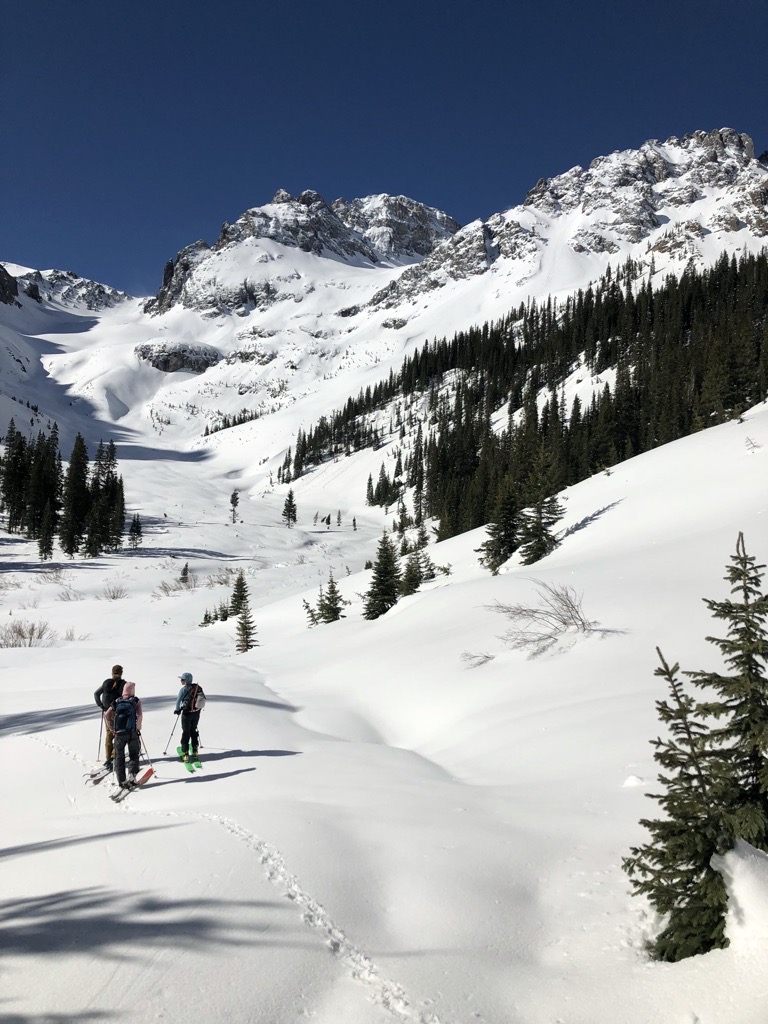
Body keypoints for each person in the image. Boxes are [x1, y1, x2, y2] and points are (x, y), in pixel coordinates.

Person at [105, 681, 143, 788]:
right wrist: (137, 727)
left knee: (119, 757)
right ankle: (132, 775)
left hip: (119, 734)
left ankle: (121, 781)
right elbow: (139, 716)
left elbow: (107, 715)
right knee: (134, 754)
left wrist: (112, 728)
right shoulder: (135, 701)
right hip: (132, 733)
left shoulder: (117, 701)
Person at [93, 664, 126, 769]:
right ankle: (115, 755)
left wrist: (101, 706)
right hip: (119, 712)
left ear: (112, 673)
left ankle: (108, 758)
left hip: (107, 712)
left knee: (109, 734)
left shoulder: (106, 683)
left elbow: (96, 694)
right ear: (121, 673)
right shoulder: (123, 684)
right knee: (118, 734)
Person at [174, 672, 206, 761]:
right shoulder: (197, 688)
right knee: (193, 730)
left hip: (187, 713)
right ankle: (195, 750)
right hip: (196, 712)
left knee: (186, 732)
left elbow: (178, 701)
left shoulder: (183, 689)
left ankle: (185, 753)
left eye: (183, 679)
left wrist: (177, 710)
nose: (181, 681)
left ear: (187, 680)